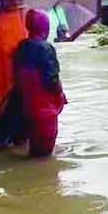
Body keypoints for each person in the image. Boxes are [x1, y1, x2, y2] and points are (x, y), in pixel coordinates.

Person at [13, 9, 67, 157]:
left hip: (27, 105)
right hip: (44, 107)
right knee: (44, 153)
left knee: (34, 147)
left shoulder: (21, 46)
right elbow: (52, 79)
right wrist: (61, 95)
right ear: (44, 27)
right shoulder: (46, 48)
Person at [0, 0, 28, 151]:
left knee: (21, 110)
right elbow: (2, 49)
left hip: (23, 71)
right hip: (4, 71)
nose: (19, 1)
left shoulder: (24, 15)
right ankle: (3, 140)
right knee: (6, 106)